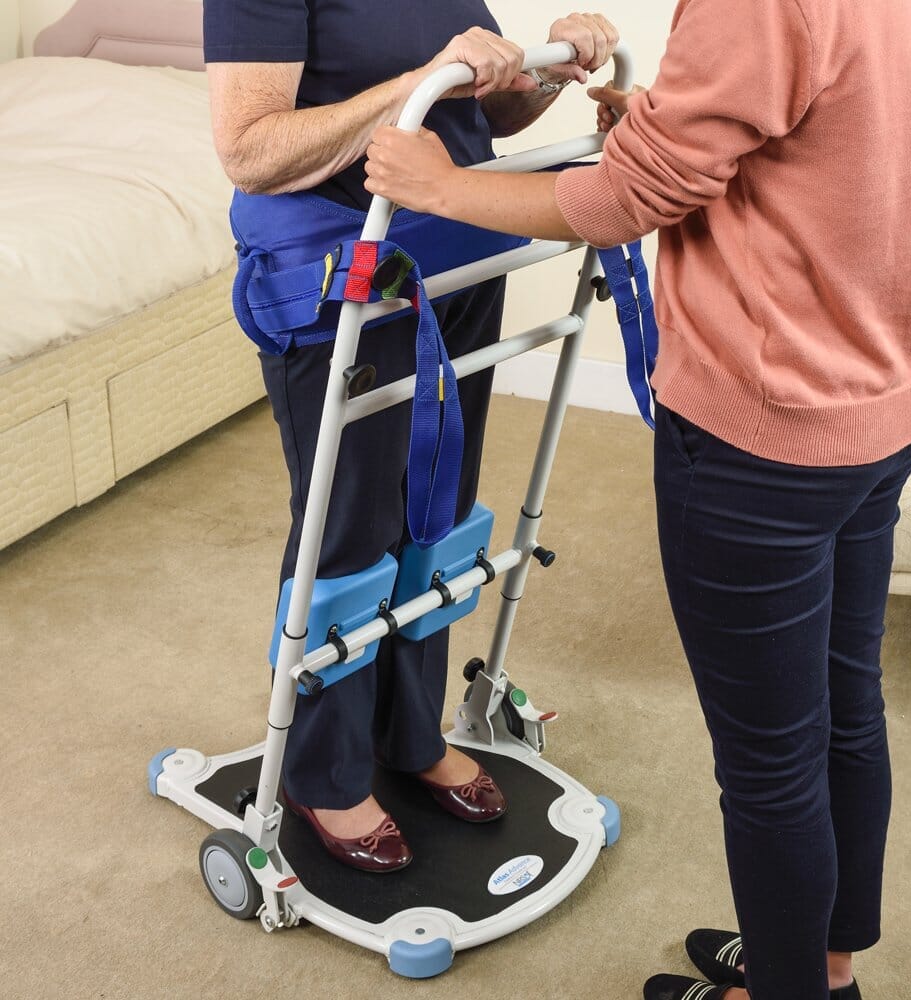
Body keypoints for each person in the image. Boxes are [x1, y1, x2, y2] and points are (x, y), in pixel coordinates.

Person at [364, 0, 911, 994]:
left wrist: (439, 184)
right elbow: (834, 132)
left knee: (772, 764)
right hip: (884, 406)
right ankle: (820, 966)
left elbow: (620, 204)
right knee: (843, 712)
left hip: (762, 438)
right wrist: (667, 120)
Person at [202, 3, 619, 873]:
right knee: (351, 526)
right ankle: (324, 772)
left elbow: (482, 113)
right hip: (341, 272)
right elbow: (250, 150)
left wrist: (544, 67)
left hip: (458, 251)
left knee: (441, 510)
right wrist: (418, 83)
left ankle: (409, 733)